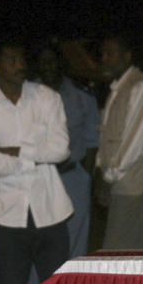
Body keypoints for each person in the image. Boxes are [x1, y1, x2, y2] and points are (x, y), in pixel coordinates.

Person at [0, 41, 72, 284]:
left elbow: (61, 150)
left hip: (50, 210)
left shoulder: (46, 98)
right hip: (7, 216)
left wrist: (18, 151)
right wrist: (38, 154)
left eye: (22, 59)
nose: (20, 65)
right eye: (11, 60)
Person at [95, 34, 143, 249]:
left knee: (115, 248)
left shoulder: (140, 88)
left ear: (127, 57)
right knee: (141, 245)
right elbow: (108, 136)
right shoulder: (119, 88)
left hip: (136, 183)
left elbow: (135, 142)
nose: (105, 58)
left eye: (111, 53)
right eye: (103, 53)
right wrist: (101, 168)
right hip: (126, 180)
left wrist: (108, 177)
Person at [36, 43, 100, 257]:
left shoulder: (82, 96)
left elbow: (92, 142)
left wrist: (86, 179)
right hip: (37, 179)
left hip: (73, 177)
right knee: (39, 242)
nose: (48, 66)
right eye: (43, 61)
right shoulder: (26, 97)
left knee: (75, 241)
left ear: (61, 63)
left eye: (52, 60)